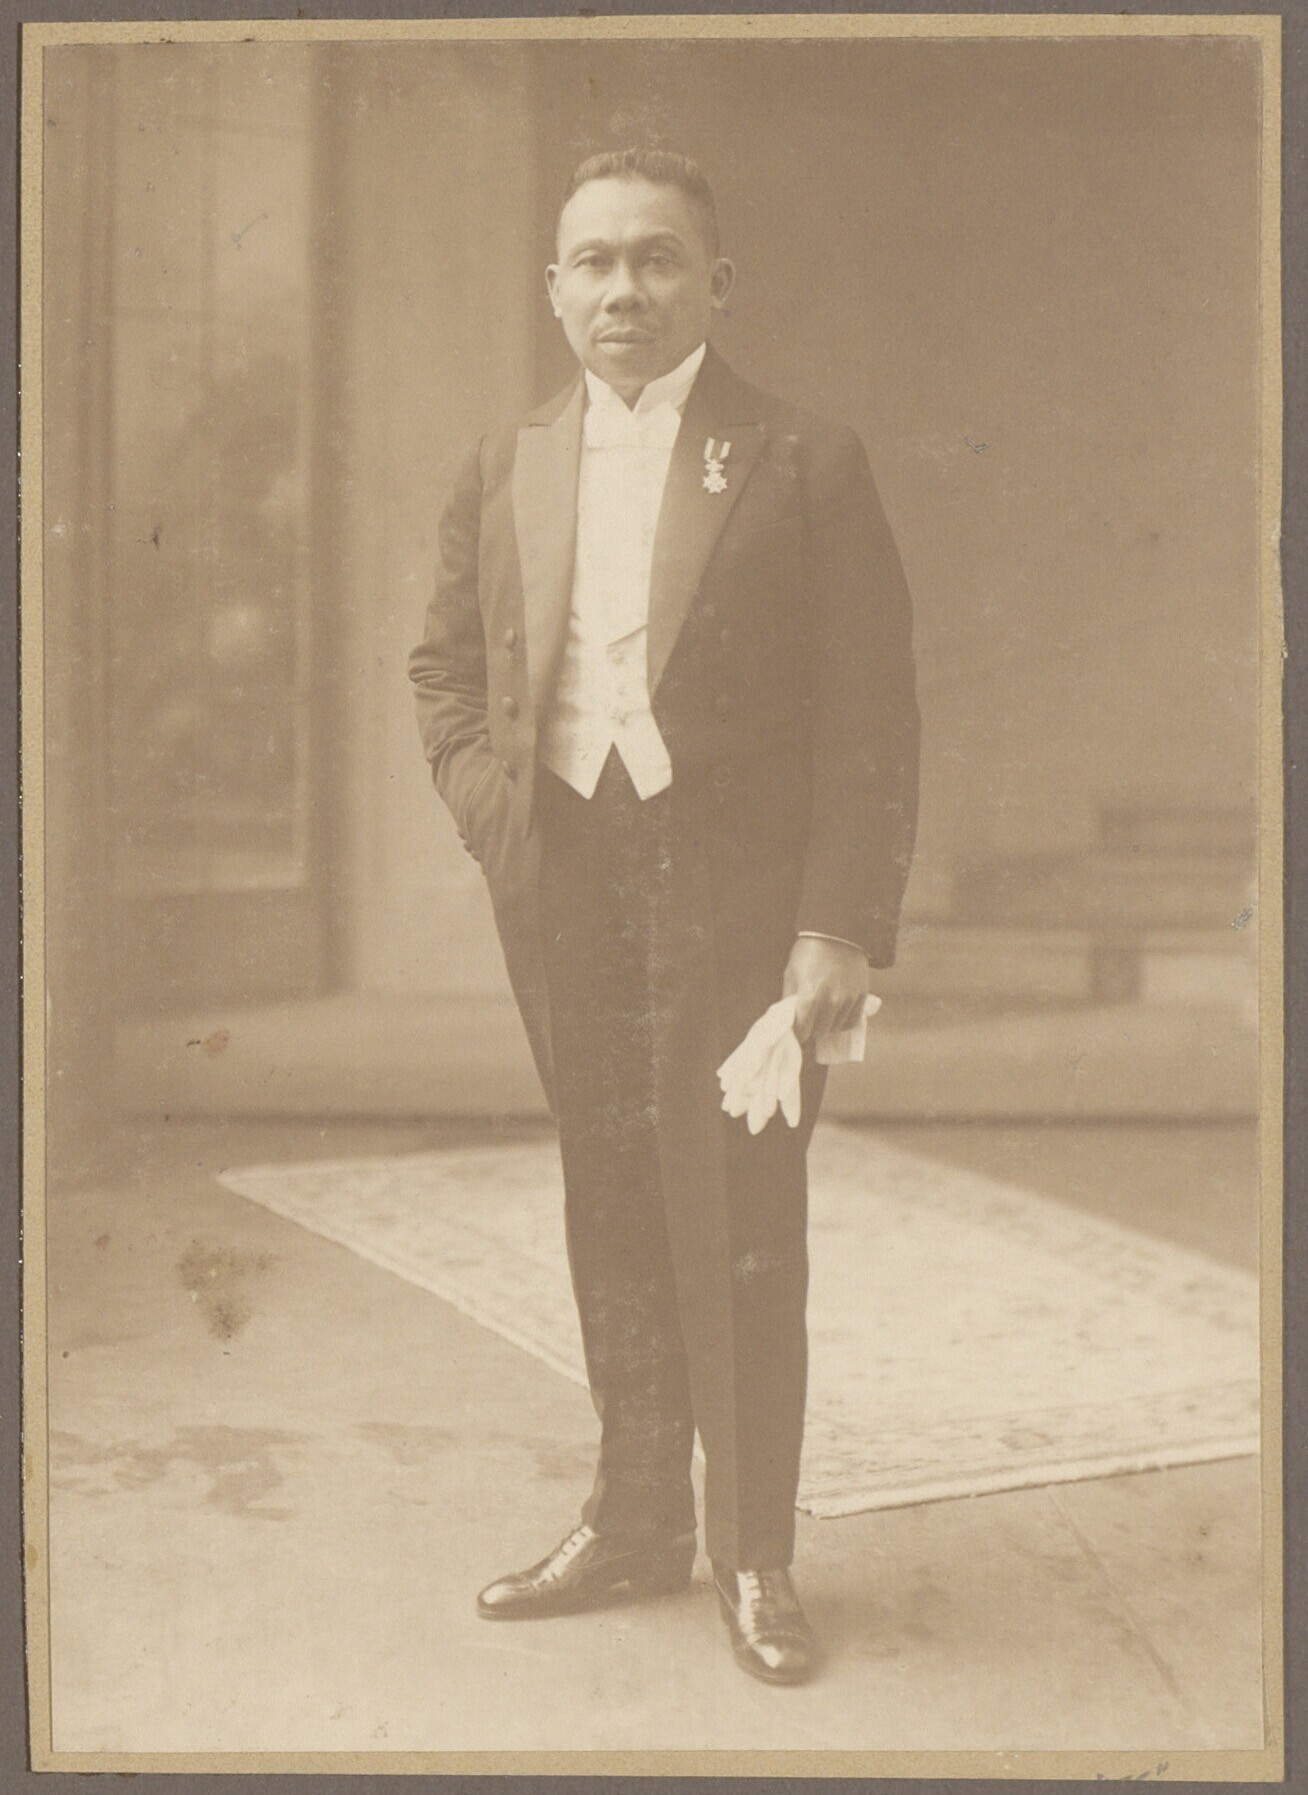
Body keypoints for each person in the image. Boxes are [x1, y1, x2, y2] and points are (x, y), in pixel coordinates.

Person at [409, 148, 919, 1685]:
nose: (622, 289)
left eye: (655, 259)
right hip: (566, 879)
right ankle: (634, 1522)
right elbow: (443, 673)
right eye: (594, 262)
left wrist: (837, 924)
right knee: (612, 1194)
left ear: (715, 282)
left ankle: (754, 1553)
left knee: (741, 1218)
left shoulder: (802, 459)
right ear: (553, 288)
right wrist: (503, 825)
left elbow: (872, 711)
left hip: (743, 902)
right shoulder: (503, 462)